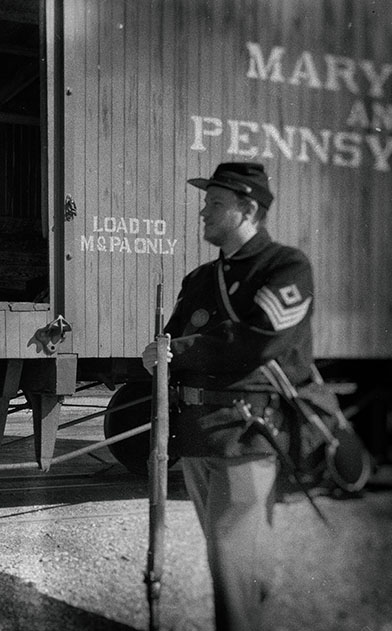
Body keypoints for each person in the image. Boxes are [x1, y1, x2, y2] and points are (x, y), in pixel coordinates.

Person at [142, 162, 314, 631]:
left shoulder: (285, 267)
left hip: (247, 433)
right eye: (206, 201)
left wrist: (173, 350)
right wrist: (156, 353)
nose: (203, 211)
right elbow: (170, 346)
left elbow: (258, 339)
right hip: (198, 438)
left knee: (231, 558)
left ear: (248, 209)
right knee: (237, 563)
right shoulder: (198, 279)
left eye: (215, 203)